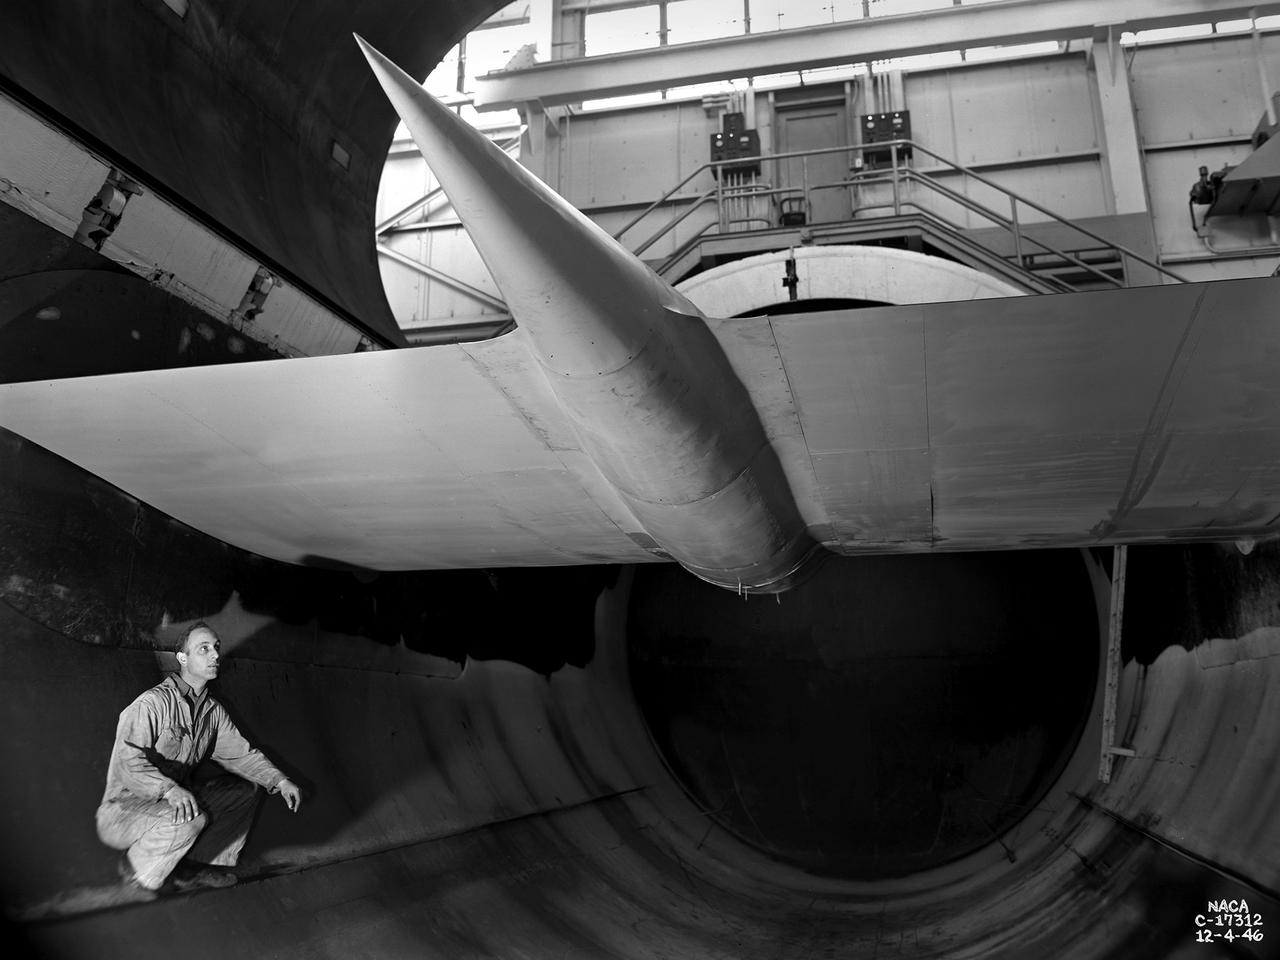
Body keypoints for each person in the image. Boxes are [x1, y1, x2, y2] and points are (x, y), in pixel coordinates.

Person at [95, 621, 301, 901]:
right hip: (123, 811)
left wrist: (279, 779)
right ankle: (136, 873)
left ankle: (191, 868)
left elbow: (242, 755)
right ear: (183, 658)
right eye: (204, 649)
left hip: (170, 804)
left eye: (216, 648)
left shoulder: (212, 712)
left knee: (244, 792)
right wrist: (168, 789)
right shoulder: (151, 704)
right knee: (190, 819)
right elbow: (127, 761)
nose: (215, 655)